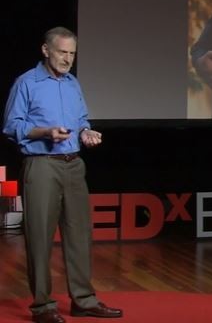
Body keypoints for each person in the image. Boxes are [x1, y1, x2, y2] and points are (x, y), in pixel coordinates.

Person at [2, 27, 122, 323]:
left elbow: (81, 120)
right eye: (62, 52)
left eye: (72, 53)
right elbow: (10, 126)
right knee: (40, 237)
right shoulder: (26, 83)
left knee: (79, 235)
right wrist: (45, 132)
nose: (68, 59)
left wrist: (87, 132)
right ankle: (43, 306)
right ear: (46, 50)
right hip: (41, 164)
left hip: (74, 165)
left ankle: (83, 299)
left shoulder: (72, 84)